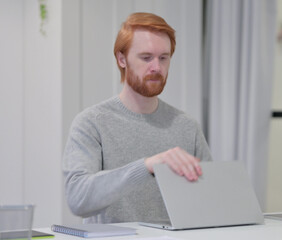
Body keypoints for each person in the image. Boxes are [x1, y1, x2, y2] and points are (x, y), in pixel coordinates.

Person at [63, 12, 212, 224]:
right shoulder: (91, 123)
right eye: (146, 57)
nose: (156, 68)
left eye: (164, 58)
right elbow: (78, 199)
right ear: (121, 59)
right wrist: (147, 166)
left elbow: (210, 201)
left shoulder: (187, 126)